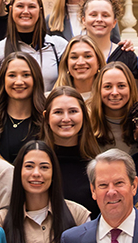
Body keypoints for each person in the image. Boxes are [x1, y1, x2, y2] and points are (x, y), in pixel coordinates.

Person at [41, 86, 102, 216]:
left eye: (73, 111)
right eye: (58, 112)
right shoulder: (34, 164)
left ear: (84, 115)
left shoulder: (98, 167)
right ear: (46, 117)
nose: (66, 119)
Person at [0, 0, 69, 92]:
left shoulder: (58, 46)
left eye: (31, 7)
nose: (25, 11)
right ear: (11, 9)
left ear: (40, 10)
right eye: (20, 6)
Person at [0, 53, 46, 163]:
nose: (19, 82)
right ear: (3, 80)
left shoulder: (48, 119)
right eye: (12, 75)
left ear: (36, 78)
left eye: (26, 75)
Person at [89, 62, 138, 154]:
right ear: (99, 90)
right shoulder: (87, 124)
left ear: (130, 88)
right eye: (107, 86)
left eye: (121, 86)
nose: (114, 92)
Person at [81, 0, 138, 71]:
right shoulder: (74, 55)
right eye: (93, 15)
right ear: (84, 20)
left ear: (114, 22)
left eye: (105, 15)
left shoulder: (126, 56)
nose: (99, 19)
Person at [54, 35, 106, 101]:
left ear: (98, 62)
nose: (80, 62)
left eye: (87, 56)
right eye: (74, 57)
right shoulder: (53, 99)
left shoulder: (109, 97)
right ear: (66, 64)